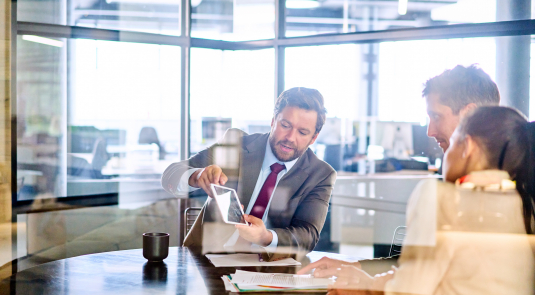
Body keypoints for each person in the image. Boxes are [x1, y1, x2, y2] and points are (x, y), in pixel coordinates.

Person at [300, 106, 535, 294]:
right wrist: (370, 279)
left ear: (468, 148)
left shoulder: (440, 197)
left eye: (453, 143)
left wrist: (364, 286)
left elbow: (409, 290)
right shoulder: (523, 204)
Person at [298, 64, 502, 276]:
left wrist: (369, 286)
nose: (430, 131)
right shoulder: (468, 179)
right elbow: (421, 262)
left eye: (437, 117)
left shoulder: (505, 189)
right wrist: (355, 267)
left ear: (470, 114)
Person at [161, 87, 336, 261]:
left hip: (269, 270)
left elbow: (308, 235)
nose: (290, 137)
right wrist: (197, 176)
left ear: (314, 138)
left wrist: (265, 237)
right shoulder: (237, 145)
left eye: (302, 132)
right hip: (203, 262)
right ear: (273, 121)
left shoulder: (320, 175)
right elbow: (170, 176)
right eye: (285, 125)